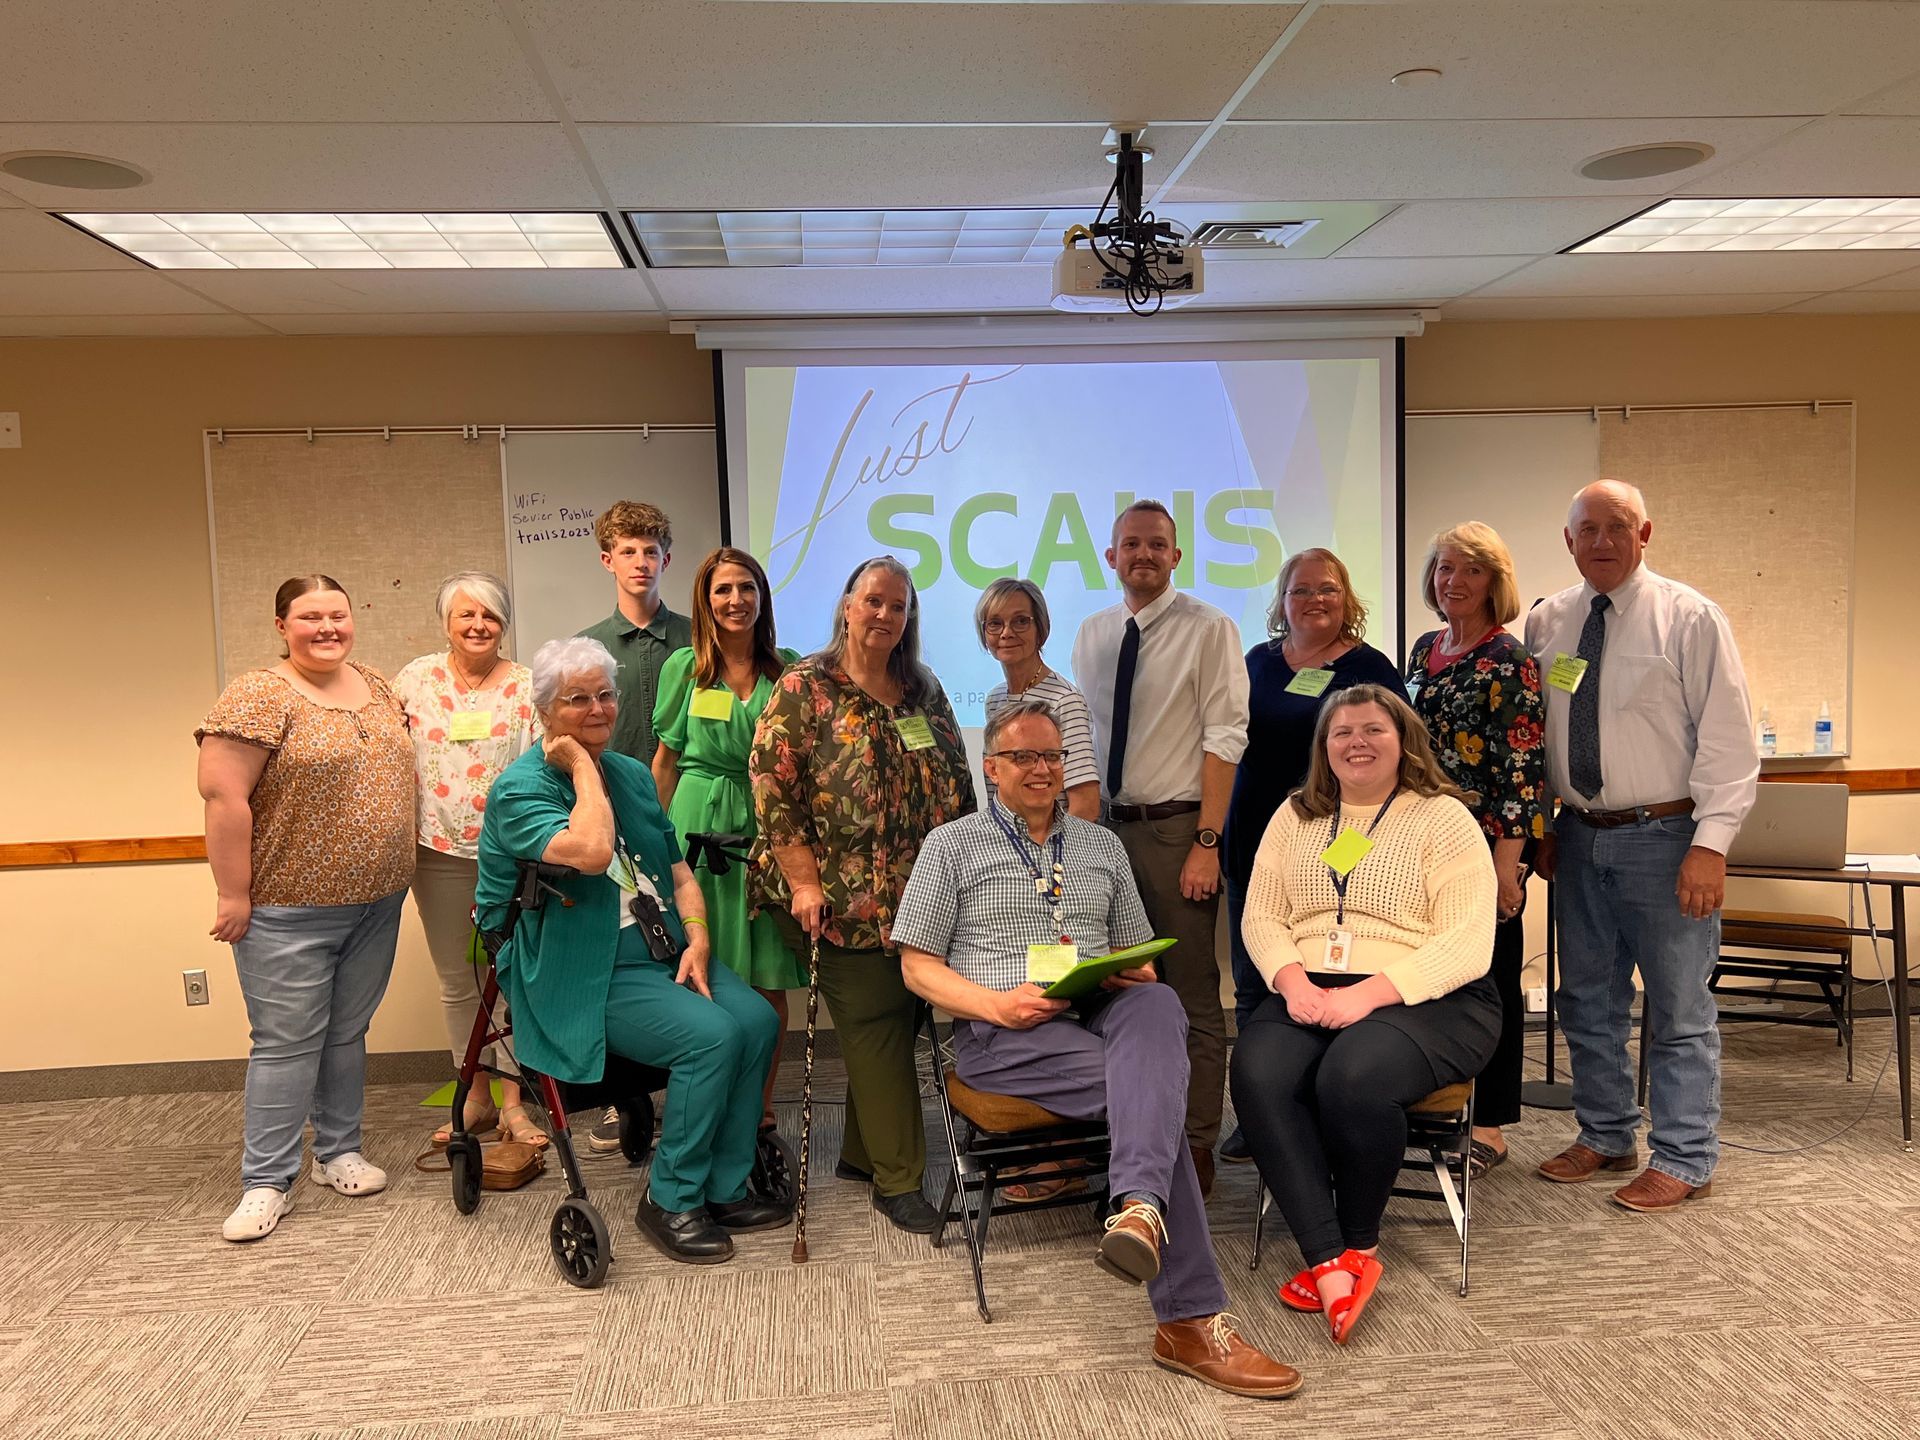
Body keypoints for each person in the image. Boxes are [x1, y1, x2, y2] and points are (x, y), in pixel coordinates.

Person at [893, 701, 1303, 1400]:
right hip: (1006, 1033)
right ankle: (1191, 1318)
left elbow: (1136, 954)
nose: (1041, 769)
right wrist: (996, 1003)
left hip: (1097, 1012)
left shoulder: (1100, 845)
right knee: (1156, 1093)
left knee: (1158, 1000)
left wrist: (1126, 967)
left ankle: (1140, 1210)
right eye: (1023, 756)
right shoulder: (951, 846)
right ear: (990, 766)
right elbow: (915, 965)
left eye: (1052, 756)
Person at [477, 636, 784, 1263]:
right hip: (578, 964)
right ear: (544, 711)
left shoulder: (635, 774)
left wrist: (698, 935)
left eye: (606, 695)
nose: (597, 710)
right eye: (577, 699)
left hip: (662, 945)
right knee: (711, 1038)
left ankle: (724, 1187)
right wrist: (584, 769)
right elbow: (591, 854)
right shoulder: (520, 790)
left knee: (755, 1020)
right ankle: (670, 1198)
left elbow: (677, 875)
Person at [1230, 685, 1499, 1345]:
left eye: (1373, 729)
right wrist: (1290, 983)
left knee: (1352, 1075)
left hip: (1431, 997)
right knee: (1258, 1071)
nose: (1356, 742)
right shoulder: (1295, 816)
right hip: (1310, 987)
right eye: (1342, 731)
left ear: (1403, 738)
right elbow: (1262, 916)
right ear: (1324, 748)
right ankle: (1326, 1260)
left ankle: (1360, 1243)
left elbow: (1466, 944)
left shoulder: (1442, 817)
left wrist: (1367, 993)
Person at [1525, 480, 1757, 1213]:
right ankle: (1606, 1133)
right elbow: (1537, 737)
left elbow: (1729, 740)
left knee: (1679, 1006)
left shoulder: (1690, 619)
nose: (1601, 540)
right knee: (1587, 998)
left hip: (1668, 837)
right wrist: (1542, 827)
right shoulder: (1547, 622)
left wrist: (1711, 844)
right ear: (1567, 540)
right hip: (1577, 836)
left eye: (1617, 526)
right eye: (1587, 528)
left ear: (1645, 532)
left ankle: (1686, 1156)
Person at [749, 555, 977, 1234]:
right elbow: (771, 789)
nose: (885, 615)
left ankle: (858, 1152)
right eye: (873, 600)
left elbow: (959, 785)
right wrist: (804, 881)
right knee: (879, 1024)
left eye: (898, 606)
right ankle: (899, 1180)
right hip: (833, 903)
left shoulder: (922, 690)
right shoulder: (806, 686)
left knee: (903, 1018)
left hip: (917, 898)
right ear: (847, 605)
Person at [197, 575, 415, 1243]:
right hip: (287, 909)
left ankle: (337, 1152)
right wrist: (234, 894)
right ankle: (266, 1181)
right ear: (281, 625)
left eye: (338, 615)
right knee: (287, 1044)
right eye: (310, 617)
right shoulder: (258, 694)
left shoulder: (376, 685)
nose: (327, 627)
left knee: (347, 1033)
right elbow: (223, 798)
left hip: (377, 901)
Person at [1071, 499, 1248, 1198]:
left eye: (1157, 545)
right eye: (1130, 545)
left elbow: (1226, 737)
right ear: (1110, 558)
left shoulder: (1210, 629)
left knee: (1191, 997)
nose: (1143, 555)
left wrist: (1207, 841)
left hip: (1177, 834)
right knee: (1106, 987)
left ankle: (1196, 1143)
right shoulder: (1090, 634)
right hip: (1100, 833)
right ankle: (1126, 1137)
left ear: (1176, 556)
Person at [1220, 548, 1406, 1164]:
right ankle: (1259, 1110)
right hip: (1254, 835)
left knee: (1327, 973)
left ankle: (1325, 1103)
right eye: (1301, 591)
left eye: (1327, 588)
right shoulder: (1257, 662)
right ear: (1283, 601)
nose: (1314, 600)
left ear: (1346, 595)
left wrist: (1351, 852)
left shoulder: (1369, 665)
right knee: (1255, 978)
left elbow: (1392, 759)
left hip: (1335, 843)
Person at [1404, 524, 1546, 1177]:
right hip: (1417, 840)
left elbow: (1523, 768)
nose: (1452, 581)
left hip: (1484, 842)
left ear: (1496, 581)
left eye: (1469, 570)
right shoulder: (1425, 648)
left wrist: (1507, 866)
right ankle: (1435, 1104)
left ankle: (1488, 1123)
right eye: (1443, 569)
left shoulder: (1508, 660)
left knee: (1489, 981)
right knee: (1431, 975)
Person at [651, 547, 804, 1131]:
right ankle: (702, 1110)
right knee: (700, 968)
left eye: (746, 588)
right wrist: (649, 843)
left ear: (762, 598)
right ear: (705, 600)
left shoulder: (788, 669)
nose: (735, 600)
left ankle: (760, 1114)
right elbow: (664, 762)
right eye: (723, 590)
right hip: (696, 825)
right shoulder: (684, 669)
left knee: (767, 976)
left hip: (768, 828)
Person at [391, 572, 544, 1150]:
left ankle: (514, 1103)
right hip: (437, 852)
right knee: (459, 981)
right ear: (446, 622)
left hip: (513, 853)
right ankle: (473, 1095)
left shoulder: (528, 686)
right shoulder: (414, 680)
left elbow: (543, 768)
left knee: (514, 977)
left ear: (504, 623)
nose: (479, 625)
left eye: (491, 615)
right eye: (466, 615)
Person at [577, 500, 693, 1155]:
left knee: (685, 945)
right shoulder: (589, 647)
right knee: (631, 954)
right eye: (628, 551)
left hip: (688, 817)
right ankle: (628, 1103)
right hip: (616, 828)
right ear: (608, 560)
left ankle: (689, 1089)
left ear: (665, 560)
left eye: (651, 551)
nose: (641, 562)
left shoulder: (692, 637)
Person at [976, 577, 1099, 821]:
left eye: (1021, 621)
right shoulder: (995, 700)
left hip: (1054, 853)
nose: (1007, 632)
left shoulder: (1065, 701)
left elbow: (1085, 805)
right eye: (995, 623)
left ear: (1040, 629)